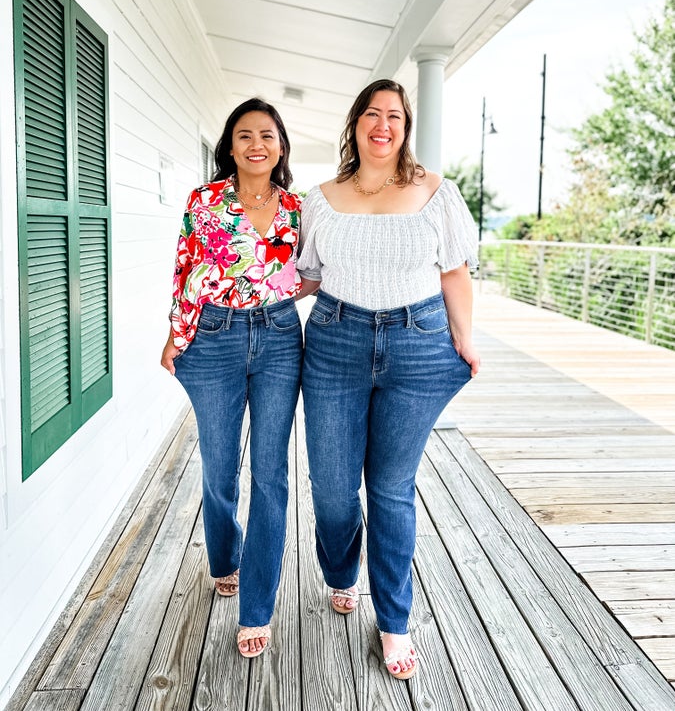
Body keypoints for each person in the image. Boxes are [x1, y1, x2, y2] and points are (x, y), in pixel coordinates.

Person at [297, 79, 479, 680]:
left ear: (405, 126)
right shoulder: (318, 199)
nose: (382, 124)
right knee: (331, 488)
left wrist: (464, 338)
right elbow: (306, 276)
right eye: (372, 114)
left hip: (418, 343)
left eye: (394, 116)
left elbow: (454, 273)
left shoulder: (436, 193)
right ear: (354, 124)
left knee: (392, 488)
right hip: (335, 343)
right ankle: (342, 572)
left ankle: (394, 621)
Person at [160, 98, 303, 659]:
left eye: (267, 135)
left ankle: (257, 607)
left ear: (281, 146)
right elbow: (185, 271)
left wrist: (276, 289)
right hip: (214, 337)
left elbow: (312, 271)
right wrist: (178, 332)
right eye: (244, 136)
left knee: (272, 475)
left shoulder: (298, 208)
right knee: (221, 466)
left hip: (279, 338)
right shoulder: (205, 201)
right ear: (230, 146)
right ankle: (224, 558)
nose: (256, 145)